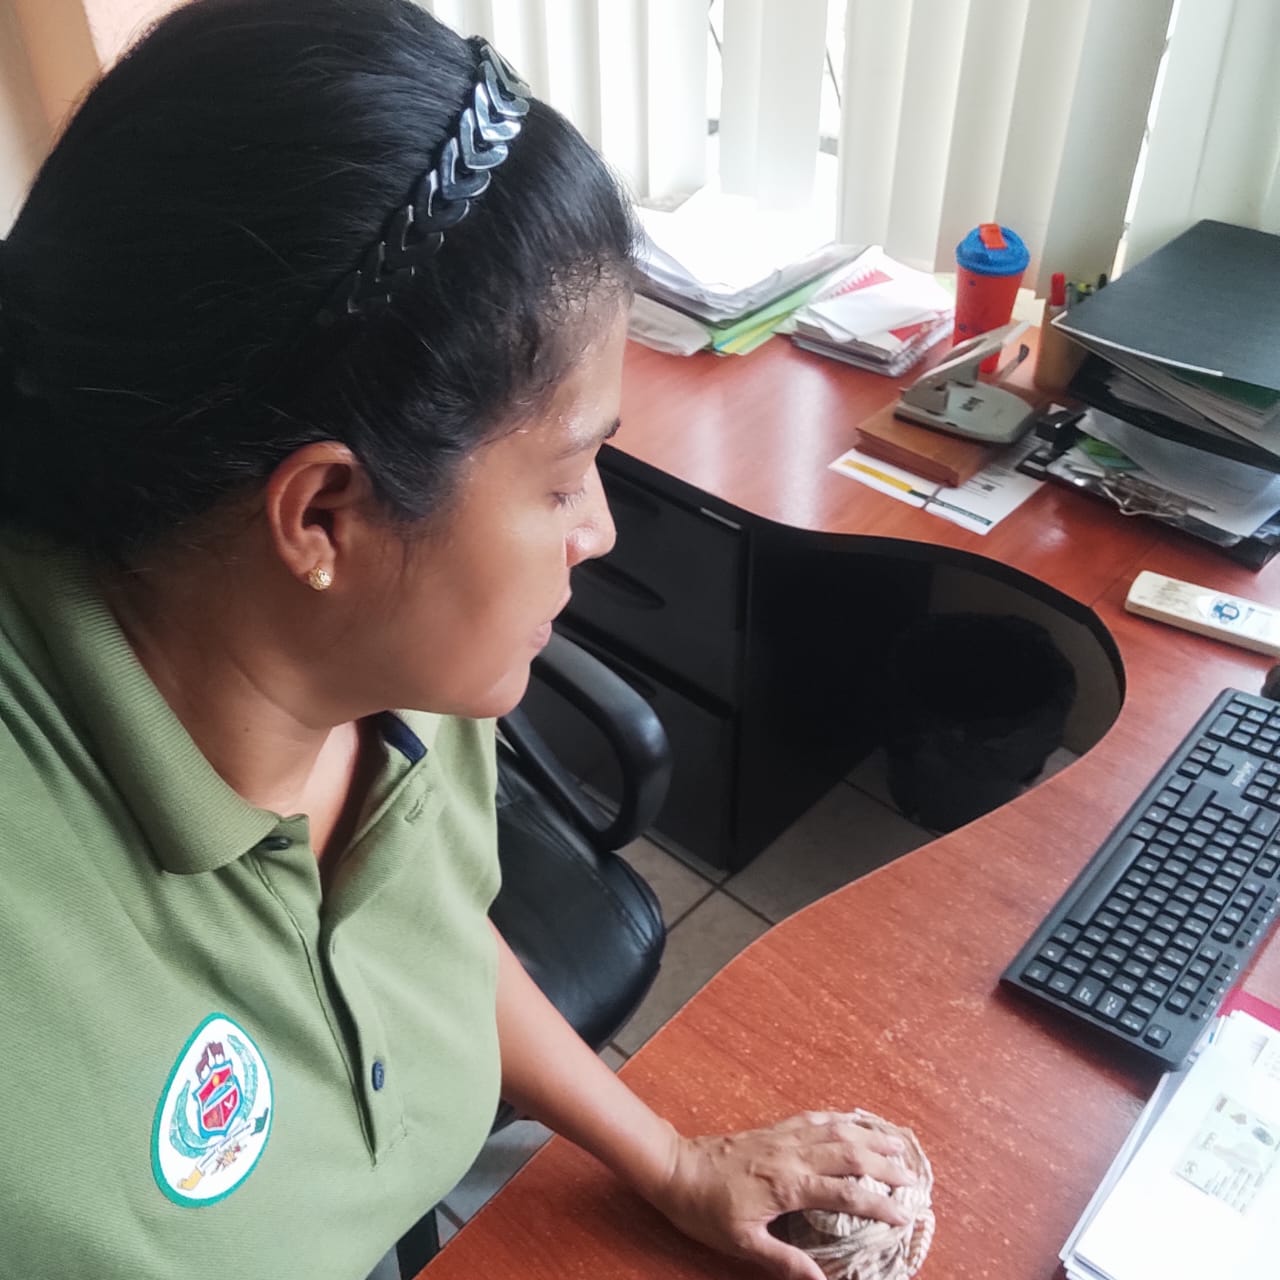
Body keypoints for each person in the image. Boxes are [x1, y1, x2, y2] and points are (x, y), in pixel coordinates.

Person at [0, 2, 913, 1277]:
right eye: (564, 478)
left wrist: (670, 1158)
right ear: (324, 515)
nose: (599, 529)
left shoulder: (394, 668)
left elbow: (419, 932)